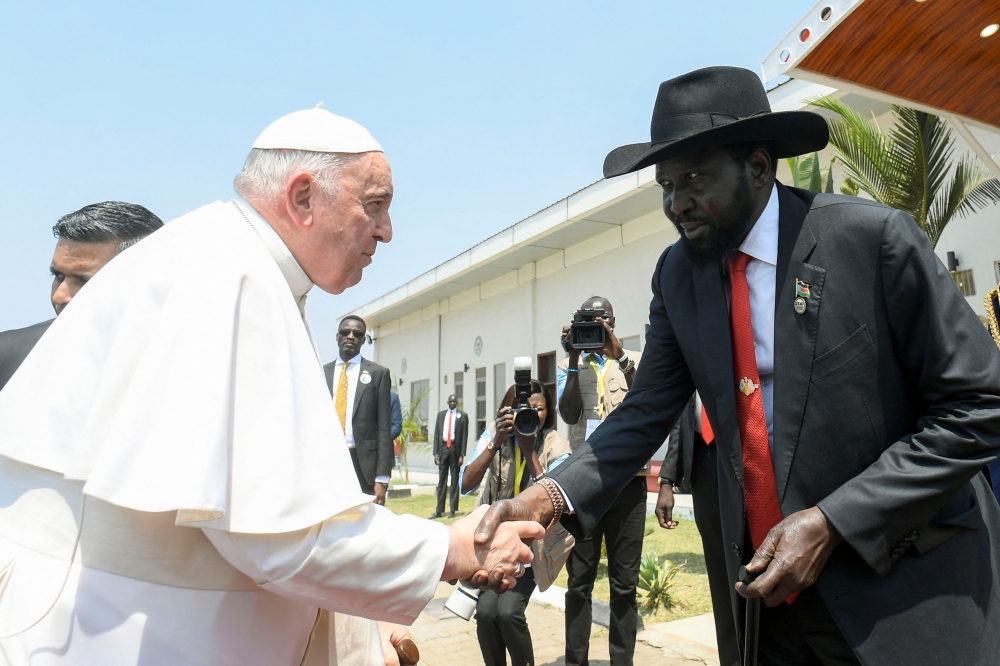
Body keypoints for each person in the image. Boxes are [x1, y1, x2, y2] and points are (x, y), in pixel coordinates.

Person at [475, 67, 1000, 666]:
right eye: (666, 186)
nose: (677, 203)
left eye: (694, 179)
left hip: (904, 596)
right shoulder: (678, 275)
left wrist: (833, 521)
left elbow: (978, 406)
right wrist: (544, 498)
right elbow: (645, 411)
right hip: (763, 606)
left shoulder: (871, 241)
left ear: (757, 166)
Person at [0, 108, 542, 666]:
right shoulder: (233, 275)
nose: (386, 230)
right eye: (374, 205)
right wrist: (451, 548)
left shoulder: (235, 259)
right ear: (303, 197)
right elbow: (282, 539)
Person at [557, 295, 646, 666]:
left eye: (602, 319)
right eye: (589, 321)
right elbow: (568, 412)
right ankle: (575, 661)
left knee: (624, 587)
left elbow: (649, 401)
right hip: (585, 485)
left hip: (628, 483)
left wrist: (620, 355)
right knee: (579, 583)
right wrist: (576, 359)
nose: (597, 326)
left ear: (613, 320)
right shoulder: (568, 364)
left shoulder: (634, 360)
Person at [461, 380, 573, 666]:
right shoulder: (495, 438)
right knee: (486, 612)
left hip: (535, 547)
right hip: (499, 543)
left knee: (509, 611)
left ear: (549, 412)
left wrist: (529, 451)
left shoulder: (554, 443)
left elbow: (557, 496)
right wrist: (496, 441)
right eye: (524, 410)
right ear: (505, 412)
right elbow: (466, 483)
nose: (533, 415)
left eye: (539, 409)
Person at [0, 201, 163, 391]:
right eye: (58, 276)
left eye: (84, 281)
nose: (59, 296)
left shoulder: (192, 361)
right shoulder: (10, 359)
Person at [656, 393, 738, 666]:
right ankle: (730, 657)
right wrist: (667, 480)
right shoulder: (693, 354)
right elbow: (682, 419)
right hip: (703, 465)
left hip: (741, 456)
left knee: (748, 563)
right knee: (719, 571)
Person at [324, 314, 393, 504]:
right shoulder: (321, 373)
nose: (350, 336)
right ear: (337, 336)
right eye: (345, 332)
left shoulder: (378, 374)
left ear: (363, 340)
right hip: (327, 460)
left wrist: (382, 478)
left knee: (364, 525)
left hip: (363, 465)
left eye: (357, 334)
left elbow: (384, 429)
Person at [431, 394, 470, 518]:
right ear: (447, 402)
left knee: (454, 481)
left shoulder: (462, 416)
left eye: (455, 401)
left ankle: (453, 510)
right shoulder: (441, 415)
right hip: (443, 448)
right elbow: (437, 434)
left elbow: (464, 436)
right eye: (451, 401)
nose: (453, 403)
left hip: (455, 449)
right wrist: (436, 453)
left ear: (457, 402)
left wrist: (462, 454)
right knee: (441, 481)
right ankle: (439, 510)